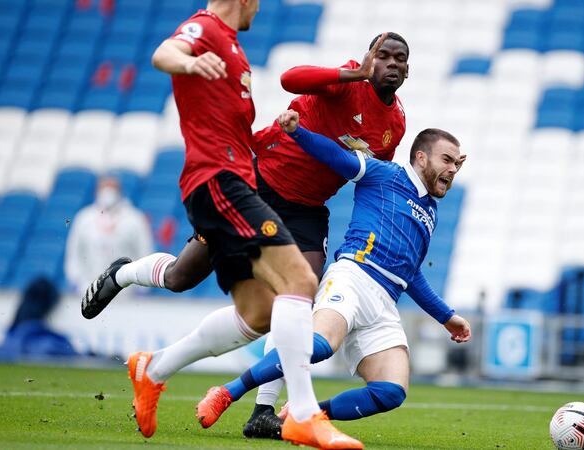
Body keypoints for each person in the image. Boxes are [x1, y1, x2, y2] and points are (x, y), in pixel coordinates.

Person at [81, 30, 410, 439]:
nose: (391, 64)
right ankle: (122, 274)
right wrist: (352, 75)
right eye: (383, 56)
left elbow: (368, 178)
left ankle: (264, 410)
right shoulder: (344, 82)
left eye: (399, 59)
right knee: (182, 275)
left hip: (307, 209)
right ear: (368, 58)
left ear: (407, 70)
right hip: (259, 183)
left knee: (294, 298)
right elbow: (291, 79)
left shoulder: (394, 125)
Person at [194, 110, 471, 434]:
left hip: (384, 304)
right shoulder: (386, 175)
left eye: (456, 164)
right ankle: (228, 392)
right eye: (447, 160)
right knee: (318, 345)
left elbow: (409, 273)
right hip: (353, 278)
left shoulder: (430, 211)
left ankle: (302, 416)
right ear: (421, 157)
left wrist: (445, 316)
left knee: (391, 391)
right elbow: (339, 159)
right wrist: (298, 133)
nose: (452, 169)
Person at [64, 175, 152, 291]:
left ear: (120, 191)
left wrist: (140, 287)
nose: (108, 193)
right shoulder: (84, 218)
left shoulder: (134, 219)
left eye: (112, 188)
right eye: (104, 188)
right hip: (89, 289)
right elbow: (74, 253)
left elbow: (145, 252)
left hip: (125, 293)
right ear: (96, 191)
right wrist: (77, 281)